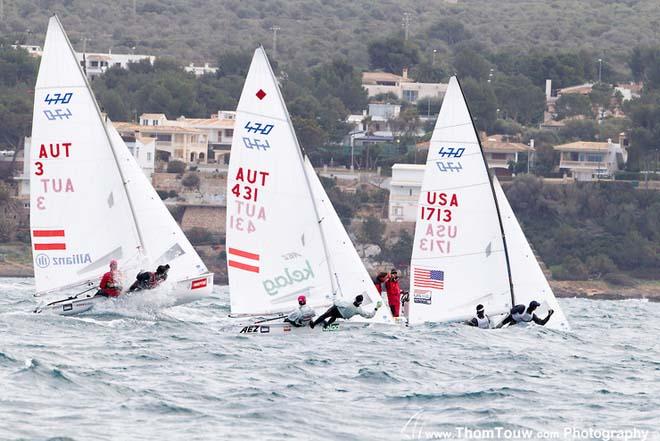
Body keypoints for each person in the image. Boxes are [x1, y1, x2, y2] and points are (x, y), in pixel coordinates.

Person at [310, 295, 382, 329]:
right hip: (342, 316)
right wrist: (376, 308)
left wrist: (334, 299)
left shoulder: (348, 302)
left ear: (355, 298)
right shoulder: (359, 310)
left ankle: (313, 324)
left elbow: (336, 303)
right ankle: (326, 325)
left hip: (336, 311)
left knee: (325, 315)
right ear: (361, 302)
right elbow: (370, 315)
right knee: (334, 316)